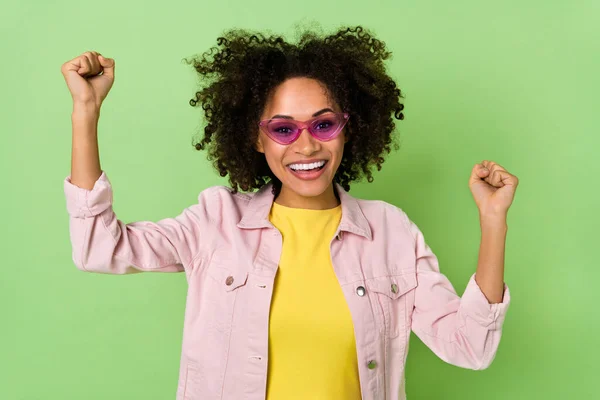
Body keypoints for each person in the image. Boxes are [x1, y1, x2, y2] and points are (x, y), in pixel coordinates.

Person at [61, 26, 518, 400]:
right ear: (256, 139)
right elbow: (98, 248)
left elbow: (470, 347)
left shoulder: (391, 231)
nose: (305, 145)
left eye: (323, 124)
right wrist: (87, 111)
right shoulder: (215, 222)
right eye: (282, 129)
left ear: (347, 128)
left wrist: (492, 221)